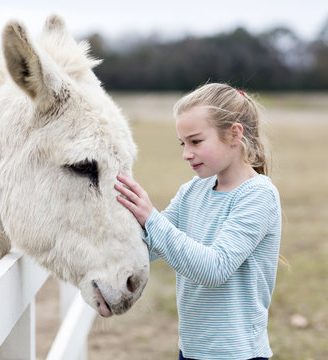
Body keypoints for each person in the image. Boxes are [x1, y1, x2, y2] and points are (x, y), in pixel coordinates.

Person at [114, 83, 282, 360]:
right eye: (183, 143)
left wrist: (151, 218)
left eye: (196, 141)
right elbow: (151, 245)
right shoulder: (193, 190)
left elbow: (213, 269)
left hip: (238, 354)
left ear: (234, 135)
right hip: (191, 350)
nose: (186, 153)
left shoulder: (259, 195)